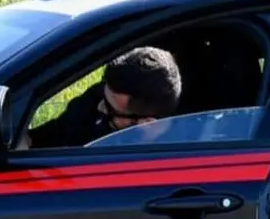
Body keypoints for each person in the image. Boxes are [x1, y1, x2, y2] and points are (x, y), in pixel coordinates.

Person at [25, 45, 181, 149]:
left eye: (110, 108)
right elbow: (57, 132)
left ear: (147, 124)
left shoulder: (179, 157)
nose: (100, 107)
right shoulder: (100, 98)